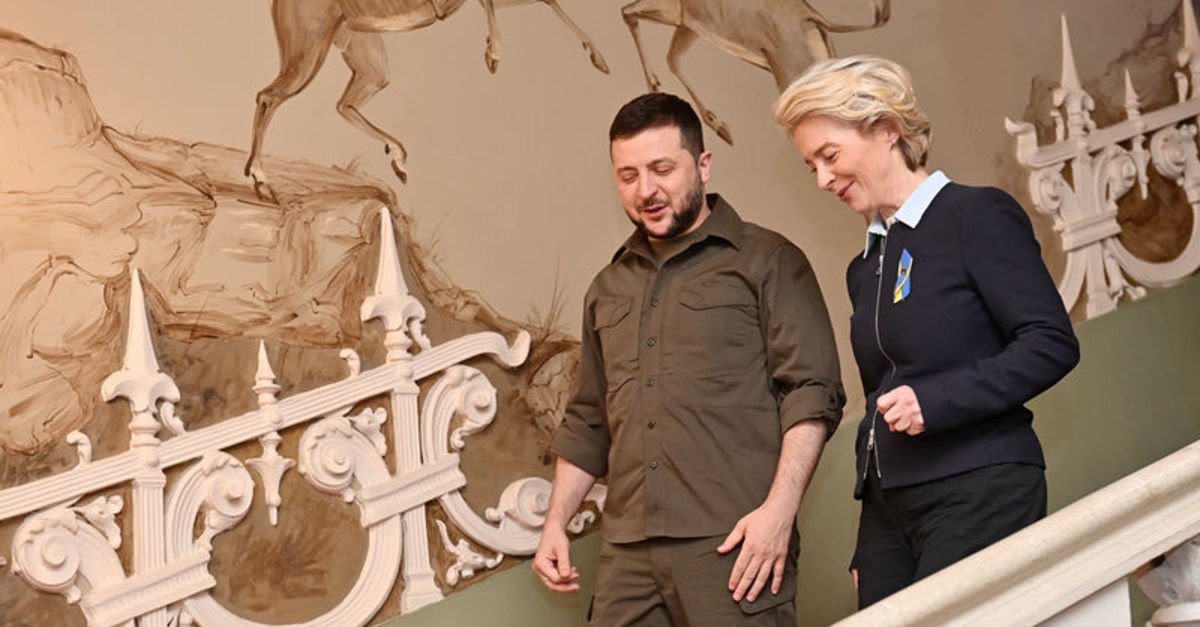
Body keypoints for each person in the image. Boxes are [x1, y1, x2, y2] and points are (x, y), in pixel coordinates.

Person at [772, 55, 1081, 609]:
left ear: (886, 129)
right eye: (810, 166)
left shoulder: (976, 215)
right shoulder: (864, 268)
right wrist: (870, 541)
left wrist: (935, 402)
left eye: (830, 155)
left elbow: (1050, 342)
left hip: (980, 486)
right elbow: (882, 394)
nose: (822, 179)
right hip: (891, 510)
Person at [533, 92, 845, 626]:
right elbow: (587, 421)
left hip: (734, 543)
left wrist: (779, 513)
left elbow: (811, 393)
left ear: (703, 165)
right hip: (626, 553)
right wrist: (555, 524)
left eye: (661, 169)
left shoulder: (767, 261)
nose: (645, 190)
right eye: (628, 175)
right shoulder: (607, 289)